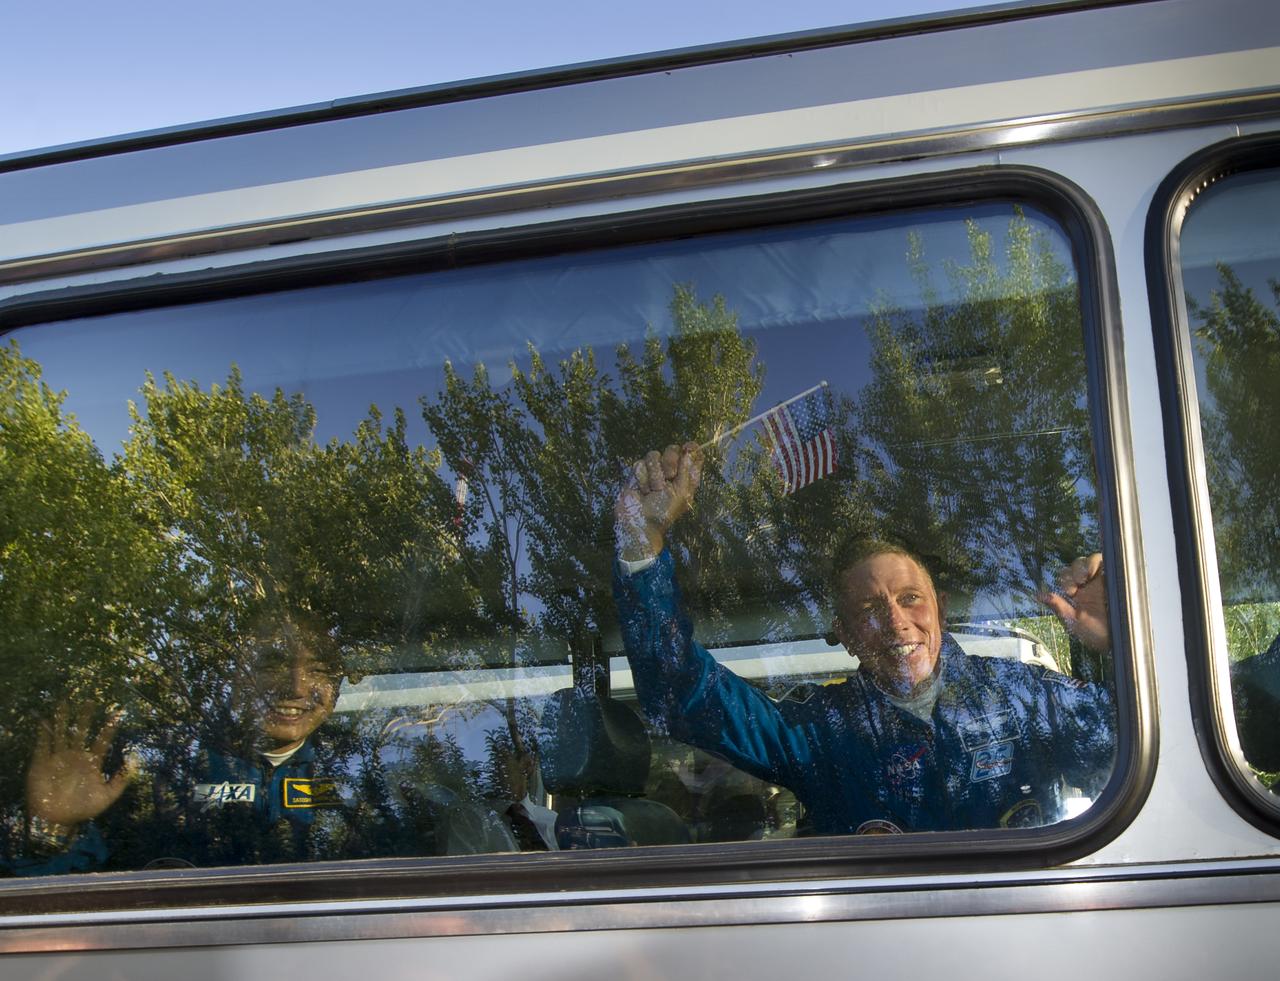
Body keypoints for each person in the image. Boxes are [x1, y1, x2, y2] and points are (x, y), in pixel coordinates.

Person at [612, 442, 1116, 835]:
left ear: (938, 607)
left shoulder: (1021, 698)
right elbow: (681, 694)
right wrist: (642, 542)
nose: (896, 622)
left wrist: (1118, 646)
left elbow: (1124, 749)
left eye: (910, 598)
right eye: (870, 610)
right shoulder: (820, 733)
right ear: (846, 635)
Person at [15, 610, 501, 875]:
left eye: (318, 671)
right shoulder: (168, 774)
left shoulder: (367, 774)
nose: (293, 686)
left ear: (336, 693)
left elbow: (424, 889)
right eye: (271, 663)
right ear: (235, 675)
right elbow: (67, 894)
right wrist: (61, 828)